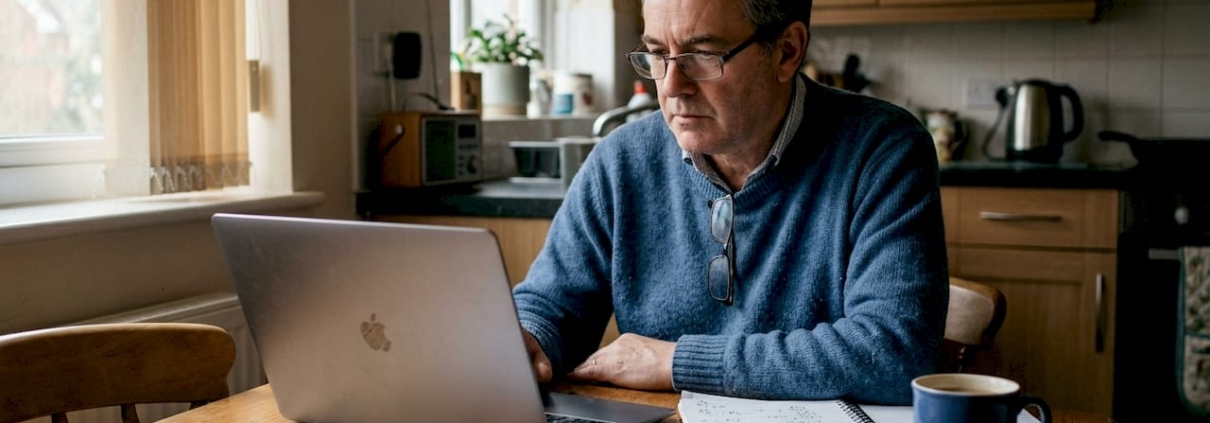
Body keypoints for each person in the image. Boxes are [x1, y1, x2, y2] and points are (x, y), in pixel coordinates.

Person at [512, 0, 949, 405]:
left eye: (703, 55)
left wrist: (677, 362)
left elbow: (895, 351)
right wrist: (528, 338)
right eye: (658, 54)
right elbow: (551, 305)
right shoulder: (620, 160)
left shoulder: (883, 150)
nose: (672, 86)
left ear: (786, 52)